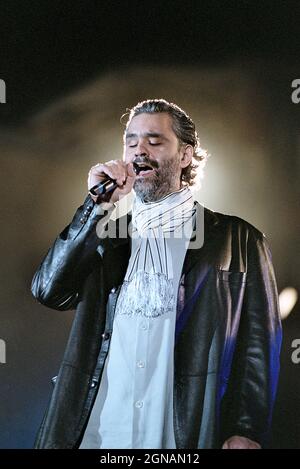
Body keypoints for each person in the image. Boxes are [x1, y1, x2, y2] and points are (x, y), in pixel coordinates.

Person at [31, 99, 282, 449]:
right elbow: (48, 290)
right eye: (131, 141)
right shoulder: (105, 235)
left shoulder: (236, 239)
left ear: (185, 155)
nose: (139, 150)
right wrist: (95, 205)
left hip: (179, 431)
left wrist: (246, 427)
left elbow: (258, 344)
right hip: (100, 434)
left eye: (154, 140)